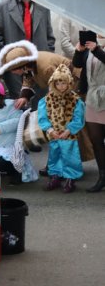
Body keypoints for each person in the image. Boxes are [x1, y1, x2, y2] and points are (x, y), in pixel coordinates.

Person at [0, 0, 55, 98]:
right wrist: (7, 60)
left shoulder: (43, 6)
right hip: (15, 67)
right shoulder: (3, 7)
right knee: (19, 104)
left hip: (38, 64)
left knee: (39, 104)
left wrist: (48, 57)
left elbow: (49, 36)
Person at [38, 64, 85, 193]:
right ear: (53, 83)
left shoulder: (75, 100)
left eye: (64, 83)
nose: (61, 86)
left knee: (70, 156)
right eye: (58, 83)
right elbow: (42, 117)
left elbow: (78, 118)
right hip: (54, 135)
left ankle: (71, 178)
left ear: (69, 83)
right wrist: (50, 130)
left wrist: (68, 130)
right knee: (54, 155)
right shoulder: (47, 99)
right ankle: (55, 176)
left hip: (69, 135)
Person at [73, 35, 105, 192]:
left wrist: (97, 49)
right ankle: (102, 177)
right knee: (96, 141)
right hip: (92, 98)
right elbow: (77, 64)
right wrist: (79, 51)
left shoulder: (96, 48)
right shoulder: (91, 45)